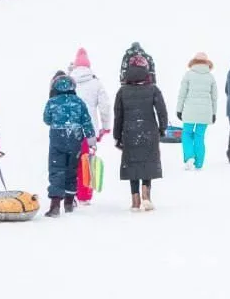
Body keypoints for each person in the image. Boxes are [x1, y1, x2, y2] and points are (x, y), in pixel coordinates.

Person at [114, 57, 168, 211]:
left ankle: (135, 199)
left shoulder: (122, 91)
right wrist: (162, 128)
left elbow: (118, 115)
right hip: (149, 130)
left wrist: (117, 136)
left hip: (129, 132)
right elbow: (161, 111)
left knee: (132, 165)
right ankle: (146, 193)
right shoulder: (152, 89)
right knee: (147, 163)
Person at [43, 74, 96, 217]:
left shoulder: (52, 102)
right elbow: (86, 122)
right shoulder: (79, 102)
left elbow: (47, 119)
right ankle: (69, 203)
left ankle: (55, 205)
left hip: (57, 139)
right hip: (75, 139)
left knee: (56, 170)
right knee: (72, 170)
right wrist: (91, 140)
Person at [68, 48, 111, 205]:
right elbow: (105, 106)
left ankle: (69, 194)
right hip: (89, 129)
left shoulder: (67, 82)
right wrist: (105, 127)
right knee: (86, 161)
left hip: (69, 129)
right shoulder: (95, 82)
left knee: (70, 162)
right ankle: (84, 196)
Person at [177, 52, 218, 170]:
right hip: (205, 112)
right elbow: (214, 98)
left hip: (190, 111)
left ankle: (189, 156)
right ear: (207, 63)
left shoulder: (188, 75)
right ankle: (199, 163)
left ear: (194, 61)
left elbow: (182, 94)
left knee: (186, 133)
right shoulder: (210, 77)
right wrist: (214, 113)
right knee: (199, 136)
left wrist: (179, 110)